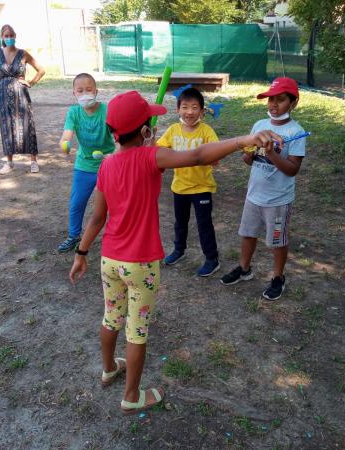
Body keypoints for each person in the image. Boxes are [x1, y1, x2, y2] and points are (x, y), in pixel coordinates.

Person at [69, 90, 281, 414]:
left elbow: (97, 217)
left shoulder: (107, 165)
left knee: (111, 316)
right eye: (150, 123)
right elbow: (198, 156)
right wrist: (242, 140)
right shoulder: (152, 156)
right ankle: (131, 396)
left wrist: (81, 252)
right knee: (136, 330)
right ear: (144, 131)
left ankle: (109, 368)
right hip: (140, 263)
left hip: (109, 259)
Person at [220, 77, 307, 301]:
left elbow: (292, 170)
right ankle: (244, 269)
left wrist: (271, 153)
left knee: (277, 240)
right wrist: (248, 154)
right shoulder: (259, 125)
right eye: (270, 99)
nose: (273, 105)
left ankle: (278, 277)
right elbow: (248, 160)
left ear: (293, 103)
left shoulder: (296, 132)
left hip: (278, 201)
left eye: (280, 100)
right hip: (253, 196)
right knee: (248, 234)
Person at [156, 87, 221, 277]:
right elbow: (159, 151)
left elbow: (216, 155)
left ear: (202, 111)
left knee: (204, 224)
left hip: (202, 187)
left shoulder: (207, 131)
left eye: (195, 107)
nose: (190, 112)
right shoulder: (173, 130)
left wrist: (209, 157)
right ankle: (179, 250)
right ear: (178, 109)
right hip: (179, 187)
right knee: (180, 222)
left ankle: (212, 258)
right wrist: (150, 143)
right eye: (185, 107)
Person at [57, 73, 116, 253]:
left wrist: (115, 157)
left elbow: (118, 137)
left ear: (96, 91)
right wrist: (65, 144)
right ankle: (74, 236)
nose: (85, 94)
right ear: (74, 93)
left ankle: (115, 238)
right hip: (84, 166)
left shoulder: (107, 110)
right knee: (77, 203)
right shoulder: (74, 112)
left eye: (89, 90)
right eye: (80, 91)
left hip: (109, 164)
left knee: (114, 204)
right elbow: (67, 135)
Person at [0, 24, 45, 174]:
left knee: (28, 125)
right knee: (6, 128)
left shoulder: (23, 54)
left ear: (15, 36)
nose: (9, 38)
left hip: (21, 95)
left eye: (11, 35)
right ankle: (9, 162)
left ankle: (33, 161)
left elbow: (41, 70)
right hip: (2, 96)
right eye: (6, 36)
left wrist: (31, 82)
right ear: (2, 37)